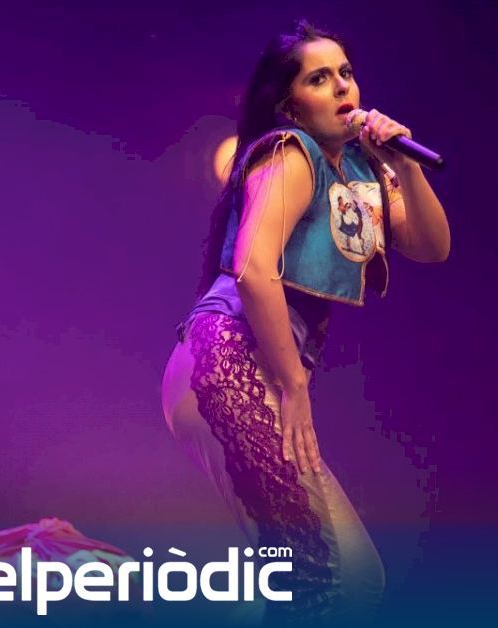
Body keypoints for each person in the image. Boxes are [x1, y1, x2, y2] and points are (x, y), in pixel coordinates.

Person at [159, 19, 451, 624]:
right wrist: (294, 385)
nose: (342, 86)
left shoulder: (363, 171)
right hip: (228, 363)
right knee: (320, 577)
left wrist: (405, 164)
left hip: (255, 370)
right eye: (319, 78)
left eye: (346, 72)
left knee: (354, 580)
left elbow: (431, 246)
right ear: (290, 104)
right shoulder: (291, 153)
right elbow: (253, 269)